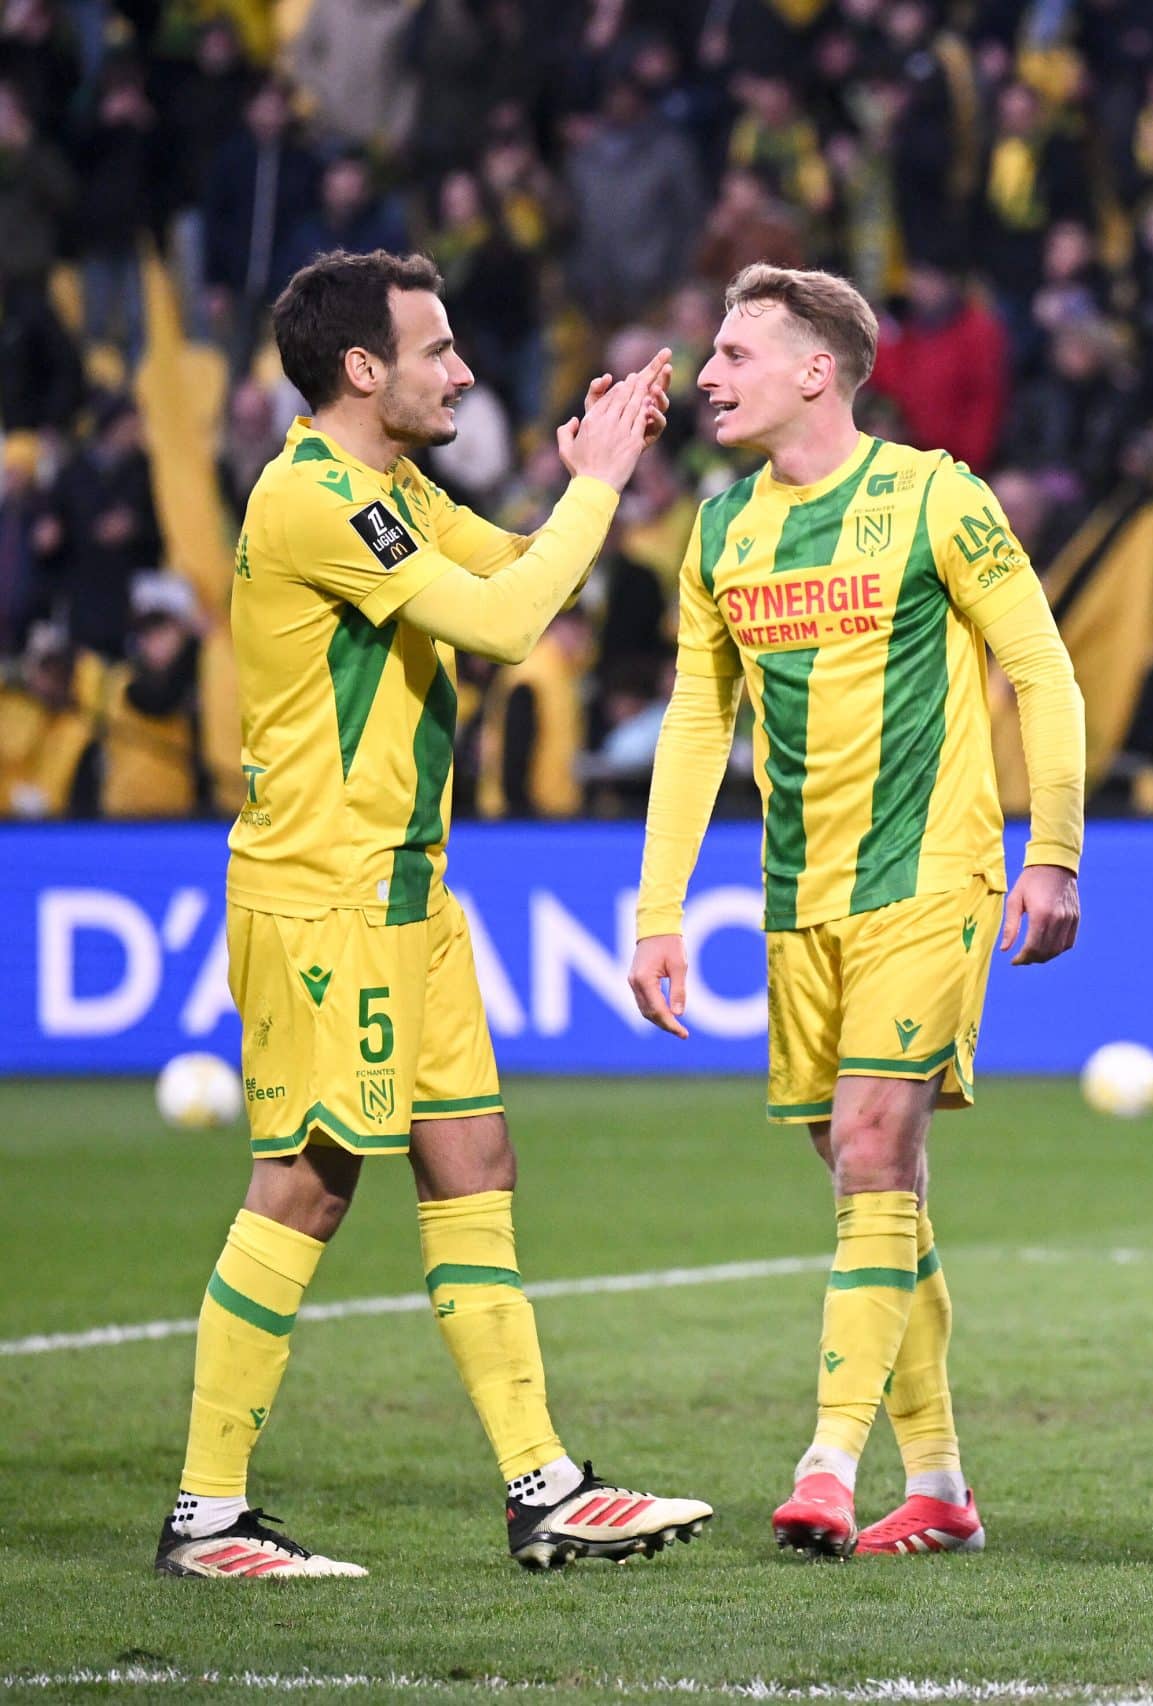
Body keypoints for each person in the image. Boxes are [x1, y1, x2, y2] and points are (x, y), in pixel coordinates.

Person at [158, 249, 712, 1578]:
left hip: (409, 894)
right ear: (364, 369)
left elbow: (523, 565)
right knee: (307, 1183)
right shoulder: (314, 499)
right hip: (323, 896)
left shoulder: (391, 489)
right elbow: (510, 623)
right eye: (439, 348)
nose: (464, 369)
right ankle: (207, 1513)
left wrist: (586, 482)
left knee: (474, 1163)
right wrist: (599, 484)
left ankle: (544, 1488)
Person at [626, 264, 1086, 1561]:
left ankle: (828, 1462)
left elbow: (1040, 666)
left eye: (731, 353)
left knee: (876, 1151)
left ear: (815, 369)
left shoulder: (936, 496)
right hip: (794, 899)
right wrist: (660, 906)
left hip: (931, 874)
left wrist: (1052, 846)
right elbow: (696, 720)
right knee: (874, 1187)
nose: (706, 375)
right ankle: (937, 1480)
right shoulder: (718, 533)